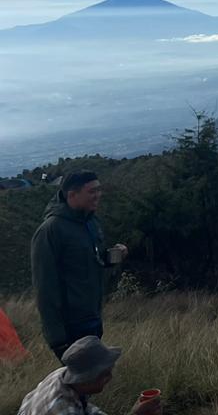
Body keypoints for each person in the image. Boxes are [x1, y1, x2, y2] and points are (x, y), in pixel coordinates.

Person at [30, 171, 126, 358]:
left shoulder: (90, 221)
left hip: (92, 316)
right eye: (92, 191)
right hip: (71, 327)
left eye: (99, 190)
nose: (98, 195)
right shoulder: (50, 231)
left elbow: (90, 259)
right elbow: (44, 289)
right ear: (72, 195)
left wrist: (112, 256)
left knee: (96, 377)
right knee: (83, 382)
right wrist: (58, 340)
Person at [18, 336, 160, 415]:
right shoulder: (64, 410)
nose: (110, 378)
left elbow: (87, 408)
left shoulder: (63, 375)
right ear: (86, 379)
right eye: (104, 374)